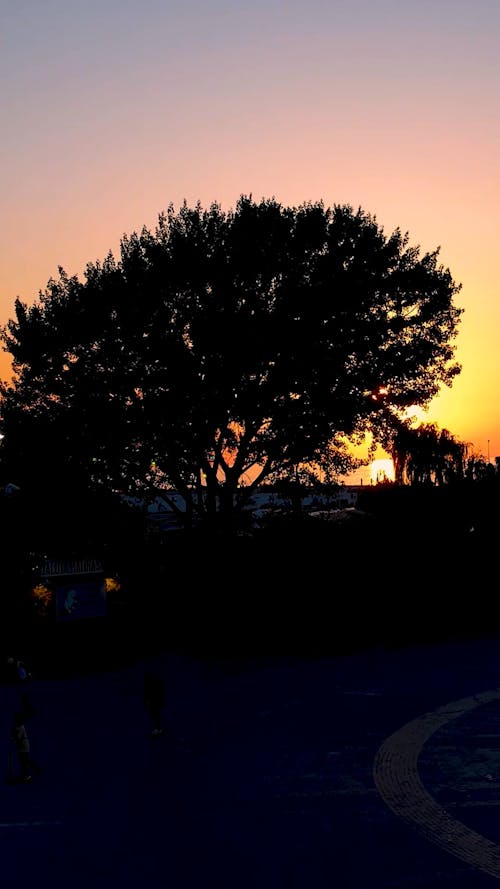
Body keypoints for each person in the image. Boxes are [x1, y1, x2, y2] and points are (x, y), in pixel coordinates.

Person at [9, 711, 38, 783]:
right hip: (21, 746)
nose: (14, 721)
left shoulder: (20, 727)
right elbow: (15, 737)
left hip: (23, 745)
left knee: (24, 760)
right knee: (23, 760)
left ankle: (28, 774)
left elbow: (18, 737)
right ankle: (27, 774)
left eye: (16, 719)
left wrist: (13, 737)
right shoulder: (18, 727)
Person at [143, 670, 166, 736]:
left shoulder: (152, 684)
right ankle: (157, 729)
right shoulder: (151, 683)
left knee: (155, 715)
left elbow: (152, 693)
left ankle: (157, 729)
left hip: (154, 702)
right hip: (154, 701)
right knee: (155, 715)